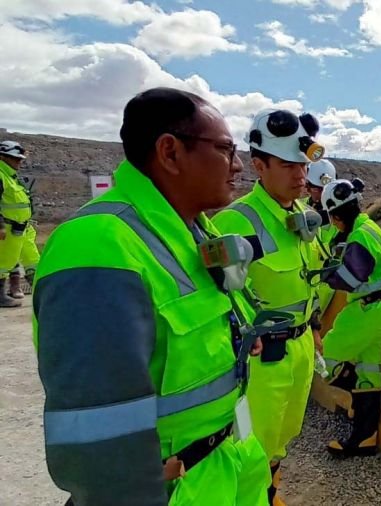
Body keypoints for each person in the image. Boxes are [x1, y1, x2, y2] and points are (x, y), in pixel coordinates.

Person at [33, 87, 273, 506]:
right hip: (174, 486)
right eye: (225, 149)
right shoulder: (99, 245)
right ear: (170, 152)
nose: (237, 166)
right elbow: (96, 428)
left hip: (226, 461)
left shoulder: (191, 231)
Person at [212, 108, 325, 506]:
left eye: (303, 165)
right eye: (288, 166)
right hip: (261, 358)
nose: (300, 175)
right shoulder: (236, 221)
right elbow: (220, 297)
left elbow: (309, 282)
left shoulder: (304, 217)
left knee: (283, 437)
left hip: (300, 347)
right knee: (252, 443)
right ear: (259, 166)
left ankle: (270, 490)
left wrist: (314, 330)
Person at [319, 177, 381, 457]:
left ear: (336, 216)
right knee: (369, 372)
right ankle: (365, 437)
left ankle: (350, 386)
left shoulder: (360, 236)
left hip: (368, 308)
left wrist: (320, 275)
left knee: (322, 357)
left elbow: (350, 278)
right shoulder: (368, 228)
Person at [0, 140, 36, 307]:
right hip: (7, 229)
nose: (19, 162)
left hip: (22, 227)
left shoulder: (11, 177)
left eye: (20, 159)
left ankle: (41, 290)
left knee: (33, 259)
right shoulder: (2, 175)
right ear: (3, 157)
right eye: (16, 159)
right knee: (3, 263)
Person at [302, 158, 339, 312]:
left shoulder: (340, 213)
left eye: (326, 189)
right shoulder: (299, 208)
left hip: (324, 285)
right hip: (301, 279)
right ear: (308, 187)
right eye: (318, 189)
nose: (323, 193)